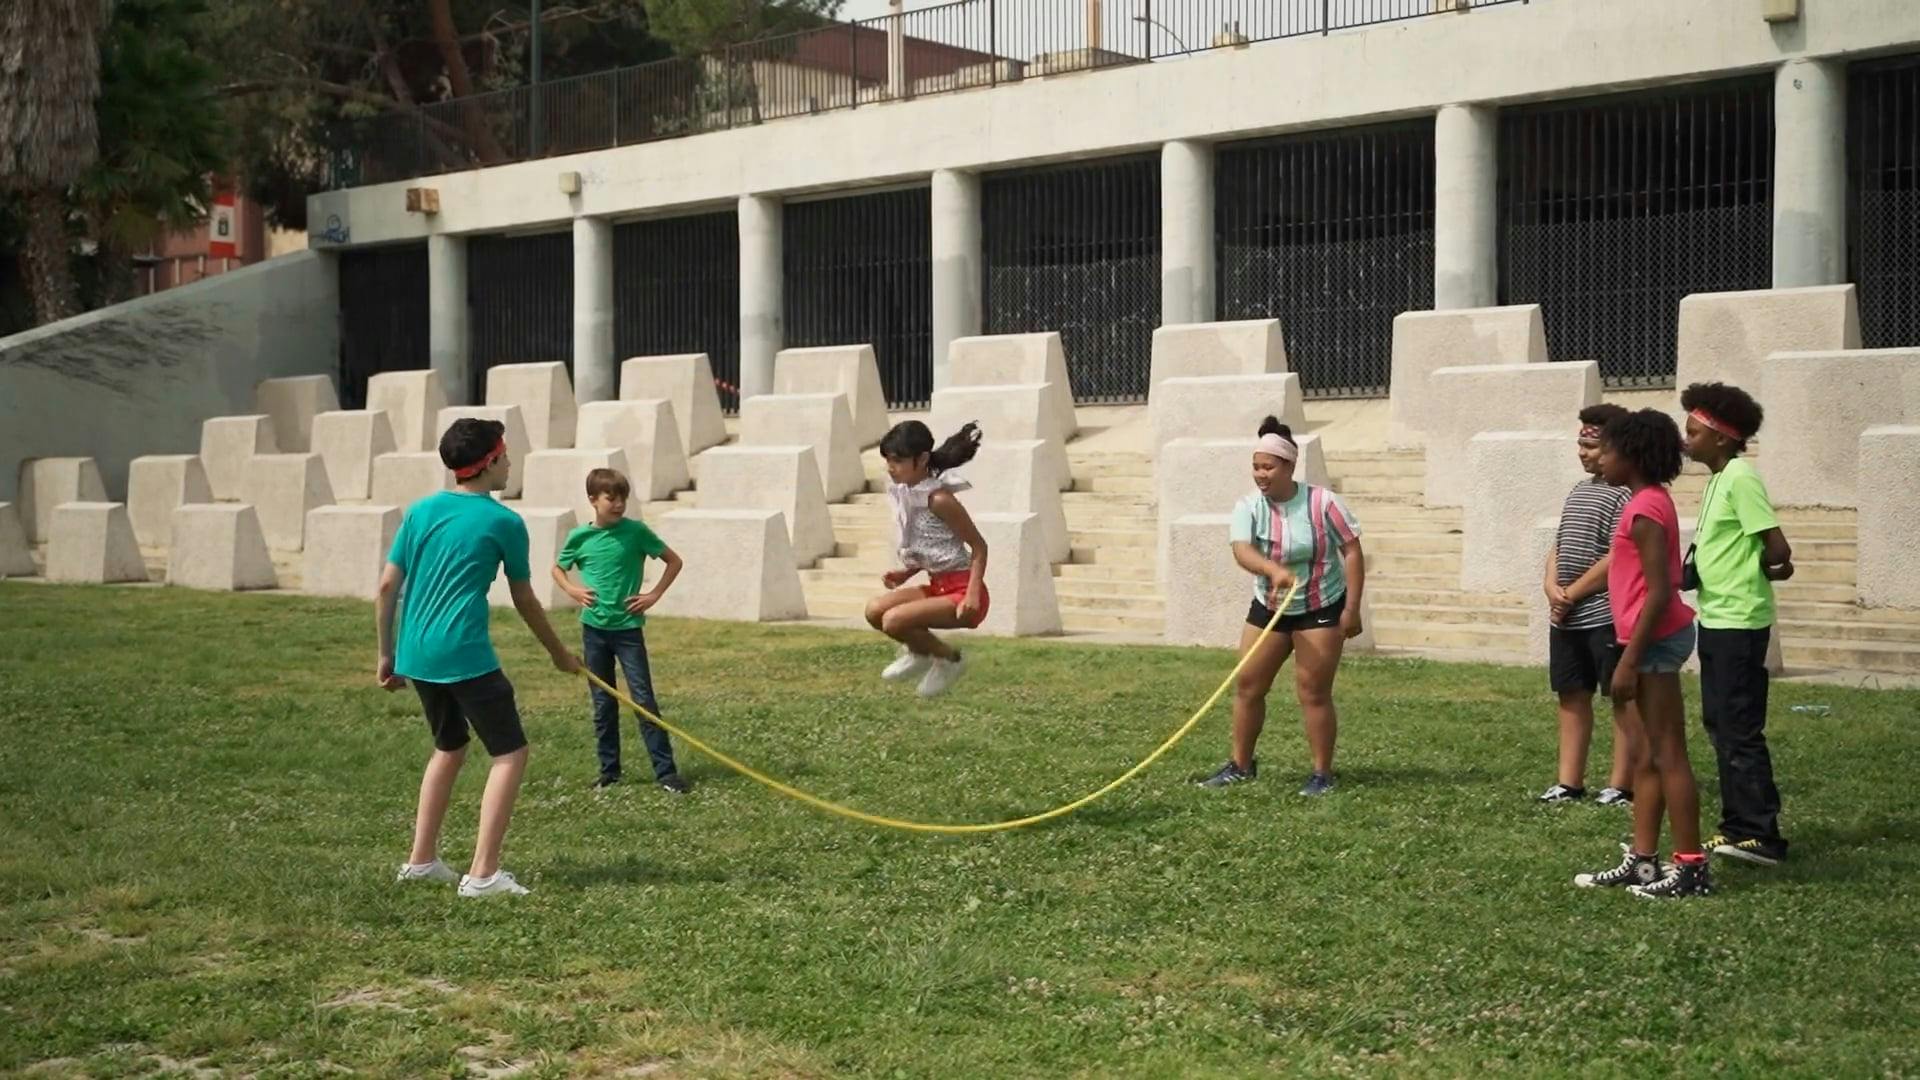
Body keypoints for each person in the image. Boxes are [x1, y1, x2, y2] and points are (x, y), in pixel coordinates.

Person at [378, 418, 581, 898]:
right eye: (505, 454)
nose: (510, 461)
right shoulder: (504, 522)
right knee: (510, 753)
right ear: (489, 462)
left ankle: (421, 862)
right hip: (464, 654)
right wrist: (559, 654)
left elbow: (388, 585)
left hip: (417, 653)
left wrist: (387, 654)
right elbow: (526, 599)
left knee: (449, 747)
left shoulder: (421, 511)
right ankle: (484, 874)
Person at [1574, 409, 1710, 899]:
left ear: (1630, 455)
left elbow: (1658, 591)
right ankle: (1644, 861)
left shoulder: (1645, 509)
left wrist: (1630, 659)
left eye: (1606, 450)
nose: (1600, 459)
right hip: (1642, 641)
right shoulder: (1645, 501)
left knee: (1668, 753)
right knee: (1646, 757)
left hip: (1652, 643)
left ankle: (1692, 867)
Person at [1200, 417, 1365, 796]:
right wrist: (1272, 570)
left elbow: (1352, 549)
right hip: (1270, 608)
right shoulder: (1248, 506)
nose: (1260, 474)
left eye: (1268, 467)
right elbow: (1242, 549)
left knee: (1313, 691)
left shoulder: (1322, 503)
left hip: (1320, 606)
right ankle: (1241, 765)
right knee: (1247, 685)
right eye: (1256, 466)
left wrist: (1351, 609)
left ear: (1289, 466)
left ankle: (1322, 774)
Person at [1681, 382, 1794, 866]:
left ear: (1722, 438)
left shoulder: (1742, 478)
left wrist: (1770, 568)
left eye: (1694, 432)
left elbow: (1778, 547)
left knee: (1739, 727)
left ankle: (1761, 833)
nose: (1687, 441)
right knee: (1721, 723)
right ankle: (1737, 828)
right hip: (1717, 616)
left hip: (1740, 621)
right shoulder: (1718, 480)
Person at [553, 467, 689, 795]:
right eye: (610, 498)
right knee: (603, 703)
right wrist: (572, 590)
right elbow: (558, 568)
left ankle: (666, 773)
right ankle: (609, 772)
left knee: (643, 700)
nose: (618, 504)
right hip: (594, 631)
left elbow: (674, 561)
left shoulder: (637, 532)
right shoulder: (579, 537)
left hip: (628, 631)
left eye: (622, 498)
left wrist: (653, 594)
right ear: (592, 500)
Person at [1539, 403, 1642, 806]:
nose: (1583, 452)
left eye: (1592, 445)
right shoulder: (1579, 490)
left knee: (1619, 698)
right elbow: (1559, 544)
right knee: (1571, 694)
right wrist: (1552, 586)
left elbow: (1617, 555)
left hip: (1604, 614)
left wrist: (1574, 593)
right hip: (1567, 617)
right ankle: (1569, 781)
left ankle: (1622, 784)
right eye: (1580, 443)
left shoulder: (1625, 495)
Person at [864, 420, 988, 699]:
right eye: (888, 460)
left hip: (962, 593)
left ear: (921, 459)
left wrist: (972, 595)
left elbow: (979, 547)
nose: (890, 467)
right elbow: (934, 547)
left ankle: (950, 661)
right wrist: (905, 573)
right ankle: (920, 653)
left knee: (894, 621)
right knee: (875, 611)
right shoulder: (909, 494)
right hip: (938, 586)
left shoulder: (940, 499)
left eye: (898, 460)